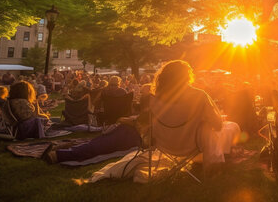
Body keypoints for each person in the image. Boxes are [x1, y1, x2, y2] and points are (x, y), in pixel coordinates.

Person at [44, 60, 240, 171]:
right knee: (111, 138)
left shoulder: (155, 98)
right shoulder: (199, 96)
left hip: (159, 143)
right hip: (188, 145)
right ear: (187, 77)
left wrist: (129, 120)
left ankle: (63, 153)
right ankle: (64, 152)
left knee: (111, 138)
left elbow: (145, 122)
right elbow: (217, 124)